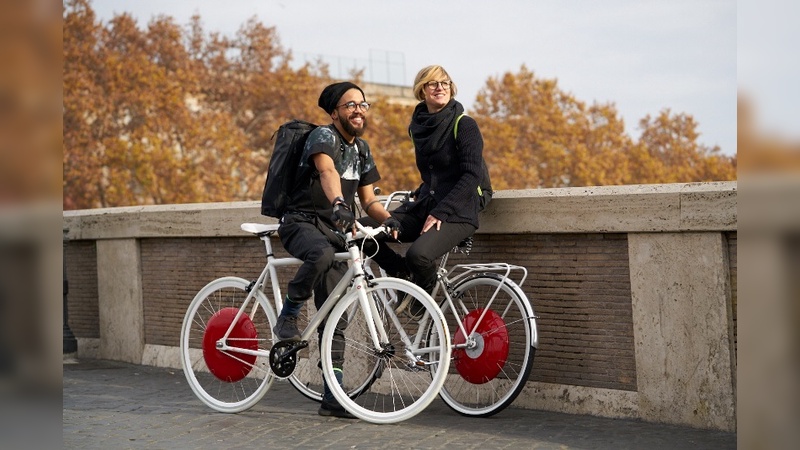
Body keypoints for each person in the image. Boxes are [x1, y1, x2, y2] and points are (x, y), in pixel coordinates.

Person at [272, 81, 400, 418]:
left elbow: (369, 200)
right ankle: (288, 314)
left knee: (337, 316)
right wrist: (340, 202)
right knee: (322, 255)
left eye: (362, 104)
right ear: (334, 113)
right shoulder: (324, 137)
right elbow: (327, 170)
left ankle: (333, 395)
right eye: (350, 105)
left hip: (335, 228)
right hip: (301, 221)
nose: (358, 110)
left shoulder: (363, 149)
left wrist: (393, 222)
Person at [360, 65, 485, 318]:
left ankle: (423, 287)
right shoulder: (417, 127)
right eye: (432, 83)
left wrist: (442, 211)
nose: (440, 87)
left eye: (445, 83)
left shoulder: (465, 125)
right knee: (360, 231)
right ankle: (400, 272)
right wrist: (423, 191)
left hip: (458, 210)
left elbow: (472, 176)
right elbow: (434, 172)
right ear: (422, 91)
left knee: (419, 255)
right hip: (428, 203)